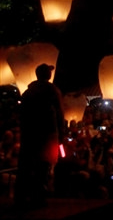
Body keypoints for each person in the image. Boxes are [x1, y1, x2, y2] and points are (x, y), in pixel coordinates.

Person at [15, 63, 66, 210]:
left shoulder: (28, 92)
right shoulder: (52, 91)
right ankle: (38, 198)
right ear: (47, 74)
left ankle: (21, 198)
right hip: (48, 134)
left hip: (29, 135)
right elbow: (60, 114)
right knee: (43, 167)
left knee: (25, 166)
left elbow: (22, 115)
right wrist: (61, 134)